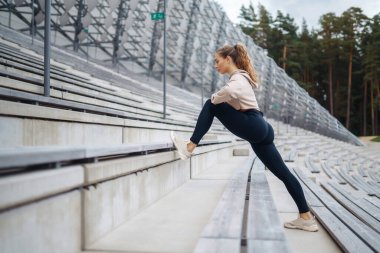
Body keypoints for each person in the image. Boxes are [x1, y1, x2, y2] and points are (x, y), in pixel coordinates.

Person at [170, 42, 319, 232]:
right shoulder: (241, 78)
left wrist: (215, 98)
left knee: (210, 104)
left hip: (254, 124)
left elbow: (229, 93)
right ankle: (305, 217)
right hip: (261, 129)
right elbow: (234, 100)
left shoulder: (238, 79)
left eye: (217, 61)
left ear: (228, 59)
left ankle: (189, 147)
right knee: (284, 174)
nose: (215, 65)